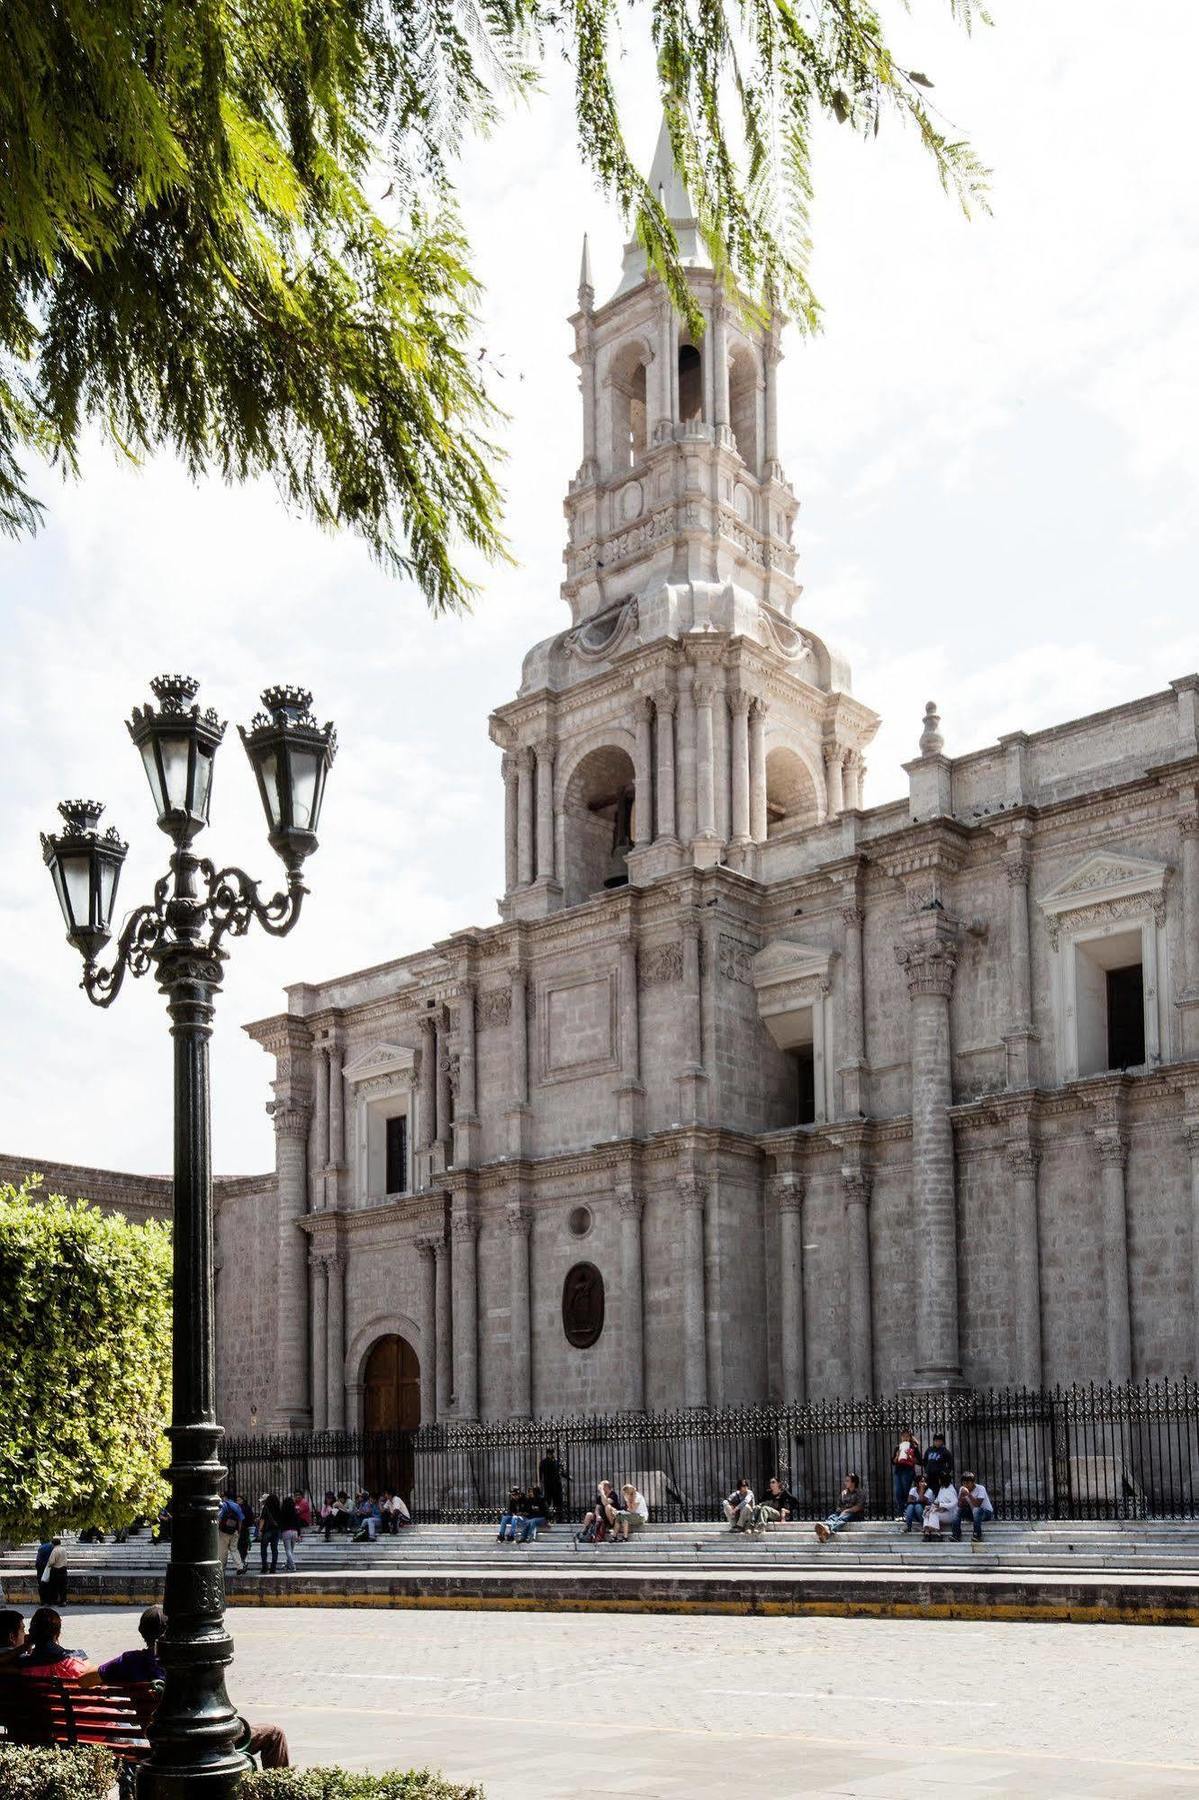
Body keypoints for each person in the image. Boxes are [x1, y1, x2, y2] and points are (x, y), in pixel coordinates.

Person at [98, 1606, 291, 1768]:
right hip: (203, 1745)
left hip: (157, 1743)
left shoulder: (129, 1661)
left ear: (143, 1632)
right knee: (274, 1734)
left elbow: (86, 1679)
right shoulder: (183, 1663)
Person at [15, 1607, 98, 1683]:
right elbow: (95, 1678)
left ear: (31, 1632)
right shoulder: (78, 1657)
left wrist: (25, 1646)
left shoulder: (22, 1663)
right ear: (57, 1633)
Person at [814, 1473, 866, 1542]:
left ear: (853, 1482)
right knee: (833, 1516)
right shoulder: (844, 1493)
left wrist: (847, 1510)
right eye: (845, 1481)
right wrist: (840, 1510)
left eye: (847, 1481)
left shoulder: (860, 1493)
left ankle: (829, 1531)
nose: (845, 1483)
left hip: (855, 1514)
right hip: (843, 1512)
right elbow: (839, 1505)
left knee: (844, 1517)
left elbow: (859, 1507)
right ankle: (826, 1528)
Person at [954, 1473, 995, 1542]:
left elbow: (977, 1504)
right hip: (973, 1513)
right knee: (957, 1510)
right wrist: (961, 1496)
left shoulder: (981, 1488)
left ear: (973, 1483)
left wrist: (968, 1494)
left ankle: (977, 1535)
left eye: (968, 1483)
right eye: (964, 1483)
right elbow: (960, 1505)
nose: (965, 1485)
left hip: (986, 1513)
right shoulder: (962, 1489)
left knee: (976, 1510)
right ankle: (956, 1535)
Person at [890, 1426, 922, 1517]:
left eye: (907, 1436)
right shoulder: (898, 1447)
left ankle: (908, 1513)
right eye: (903, 1436)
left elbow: (920, 1462)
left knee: (906, 1492)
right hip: (898, 1471)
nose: (905, 1438)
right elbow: (893, 1462)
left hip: (908, 1472)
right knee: (898, 1493)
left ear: (910, 1437)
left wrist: (911, 1456)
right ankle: (901, 1513)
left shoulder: (913, 1447)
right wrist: (897, 1456)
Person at [218, 1494, 244, 1572]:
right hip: (234, 1531)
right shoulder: (237, 1506)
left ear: (225, 1498)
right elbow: (240, 1520)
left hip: (224, 1532)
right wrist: (238, 1531)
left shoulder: (224, 1505)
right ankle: (240, 1567)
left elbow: (219, 1517)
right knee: (234, 1549)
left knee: (223, 1550)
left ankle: (222, 1568)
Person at [259, 1493, 283, 1573]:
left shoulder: (266, 1508)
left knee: (263, 1549)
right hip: (276, 1530)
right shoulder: (278, 1508)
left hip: (267, 1530)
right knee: (274, 1549)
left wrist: (260, 1530)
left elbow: (262, 1519)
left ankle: (264, 1566)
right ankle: (273, 1567)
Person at [539, 1449, 565, 1521]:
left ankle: (558, 1518)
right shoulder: (545, 1462)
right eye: (550, 1454)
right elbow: (541, 1474)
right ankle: (548, 1518)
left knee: (557, 1502)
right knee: (549, 1502)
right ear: (548, 1454)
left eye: (552, 1453)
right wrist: (541, 1483)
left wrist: (568, 1476)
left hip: (555, 1485)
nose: (552, 1455)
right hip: (549, 1485)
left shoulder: (556, 1462)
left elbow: (561, 1472)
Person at [278, 1492, 302, 1572]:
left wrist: (280, 1532)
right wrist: (299, 1534)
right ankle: (288, 1565)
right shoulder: (295, 1512)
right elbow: (298, 1523)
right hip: (294, 1531)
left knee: (288, 1550)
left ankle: (292, 1566)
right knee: (291, 1550)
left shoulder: (282, 1512)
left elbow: (280, 1523)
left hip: (286, 1531)